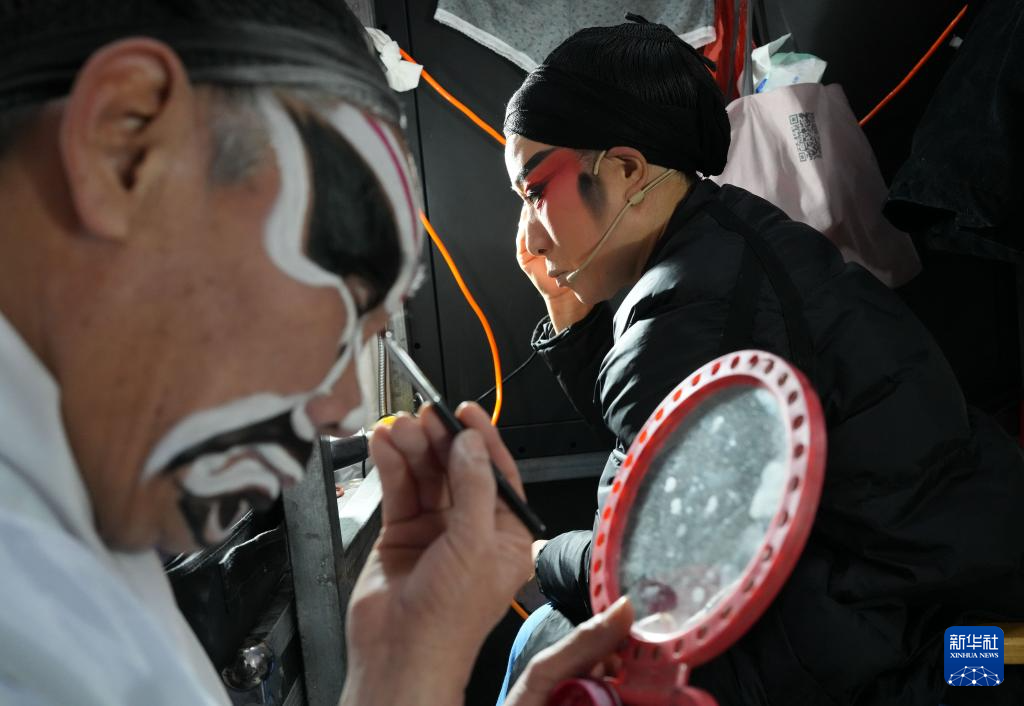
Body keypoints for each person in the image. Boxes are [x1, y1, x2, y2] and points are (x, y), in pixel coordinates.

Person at [0, 1, 631, 704]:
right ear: (123, 143)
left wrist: (402, 676)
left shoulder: (81, 538)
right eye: (335, 308)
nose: (341, 410)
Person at [503, 16, 1024, 706]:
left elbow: (640, 582)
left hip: (932, 663)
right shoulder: (729, 228)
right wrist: (571, 318)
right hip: (969, 610)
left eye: (535, 193)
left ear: (626, 170)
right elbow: (658, 448)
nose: (529, 236)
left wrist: (534, 558)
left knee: (550, 640)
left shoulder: (682, 318)